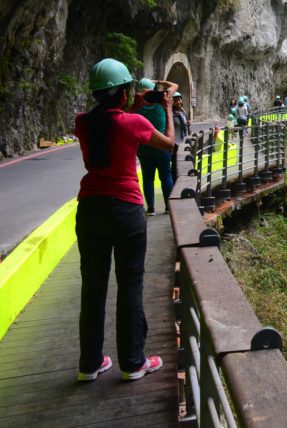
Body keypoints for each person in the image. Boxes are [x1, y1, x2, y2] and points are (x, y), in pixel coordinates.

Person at [75, 58, 173, 382]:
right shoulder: (134, 124)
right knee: (130, 283)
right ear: (125, 93)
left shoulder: (82, 123)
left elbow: (103, 119)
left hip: (89, 208)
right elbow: (169, 144)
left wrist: (128, 101)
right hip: (126, 210)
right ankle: (132, 362)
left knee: (93, 287)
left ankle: (89, 364)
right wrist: (167, 107)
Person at [132, 77, 178, 216]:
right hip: (162, 145)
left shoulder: (138, 105)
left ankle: (151, 208)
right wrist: (158, 82)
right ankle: (168, 207)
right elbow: (175, 84)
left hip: (143, 146)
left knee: (147, 177)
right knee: (165, 175)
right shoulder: (161, 100)